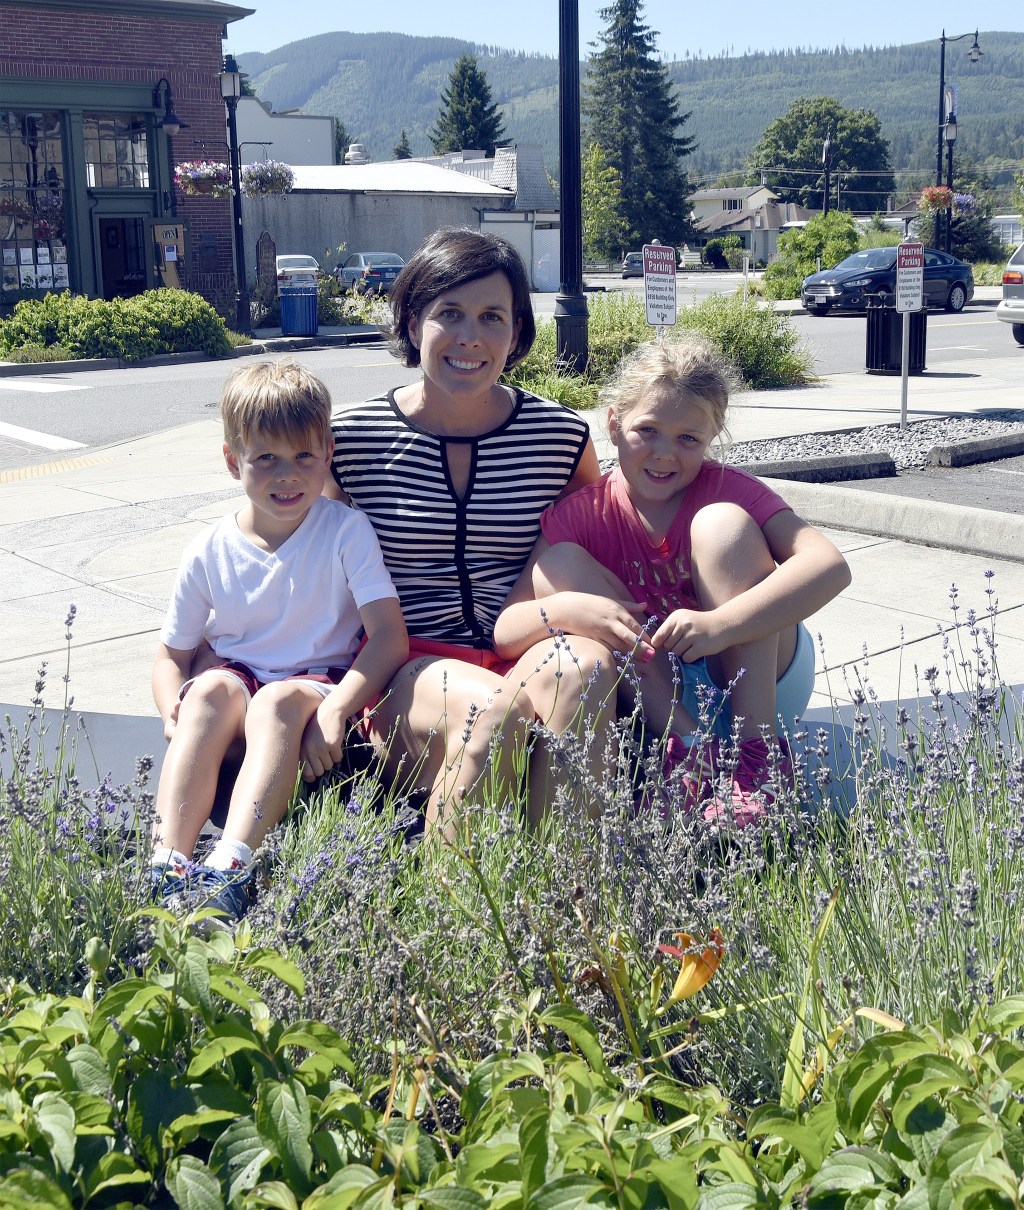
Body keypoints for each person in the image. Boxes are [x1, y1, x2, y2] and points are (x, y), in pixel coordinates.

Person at [492, 336, 852, 824]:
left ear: (712, 436)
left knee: (721, 524)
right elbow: (506, 629)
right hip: (662, 694)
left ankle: (758, 759)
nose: (665, 454)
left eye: (688, 439)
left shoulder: (726, 488)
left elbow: (829, 566)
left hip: (759, 677)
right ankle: (689, 753)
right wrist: (569, 611)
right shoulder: (583, 513)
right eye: (648, 430)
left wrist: (720, 625)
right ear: (615, 425)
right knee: (561, 564)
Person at [327, 227, 616, 832]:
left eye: (492, 317)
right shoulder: (349, 441)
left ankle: (575, 905)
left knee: (586, 670)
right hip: (406, 667)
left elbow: (597, 541)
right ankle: (454, 920)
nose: (470, 337)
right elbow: (298, 552)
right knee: (493, 712)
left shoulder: (559, 437)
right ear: (412, 326)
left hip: (523, 648)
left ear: (516, 333)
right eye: (448, 314)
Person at [150, 359, 408, 924]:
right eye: (265, 457)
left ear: (328, 455)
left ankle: (231, 865)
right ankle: (166, 864)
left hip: (318, 682)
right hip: (239, 679)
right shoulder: (208, 548)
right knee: (209, 691)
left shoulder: (344, 530)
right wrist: (177, 711)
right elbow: (172, 654)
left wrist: (339, 708)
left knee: (276, 700)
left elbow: (389, 636)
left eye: (303, 457)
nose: (286, 475)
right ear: (231, 460)